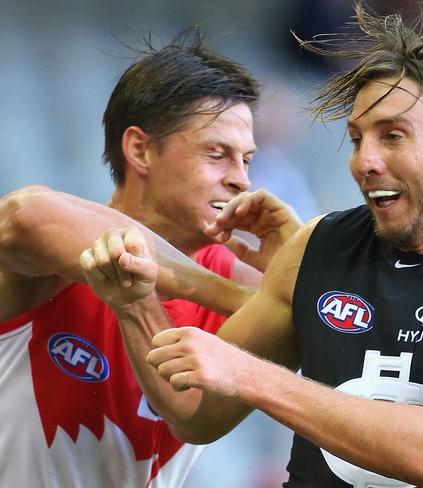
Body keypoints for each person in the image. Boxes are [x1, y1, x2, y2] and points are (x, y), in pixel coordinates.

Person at [81, 2, 423, 487]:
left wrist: (252, 376)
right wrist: (135, 304)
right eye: (357, 138)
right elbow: (194, 415)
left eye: (392, 136)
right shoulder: (316, 247)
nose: (363, 161)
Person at [0, 29, 300, 487]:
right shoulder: (64, 250)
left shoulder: (242, 279)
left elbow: (198, 420)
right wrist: (238, 298)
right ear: (139, 149)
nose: (241, 180)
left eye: (247, 160)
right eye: (217, 155)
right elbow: (25, 216)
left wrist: (290, 269)